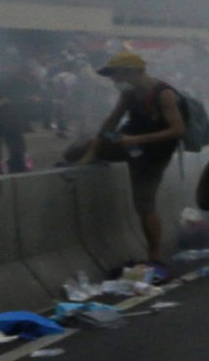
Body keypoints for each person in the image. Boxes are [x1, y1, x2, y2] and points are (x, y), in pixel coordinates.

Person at [69, 51, 186, 261]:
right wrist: (94, 147)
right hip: (129, 144)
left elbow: (177, 130)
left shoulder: (163, 93)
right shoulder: (130, 93)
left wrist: (136, 140)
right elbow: (112, 120)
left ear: (130, 72)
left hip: (153, 154)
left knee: (144, 203)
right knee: (75, 150)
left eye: (115, 75)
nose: (114, 81)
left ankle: (155, 253)